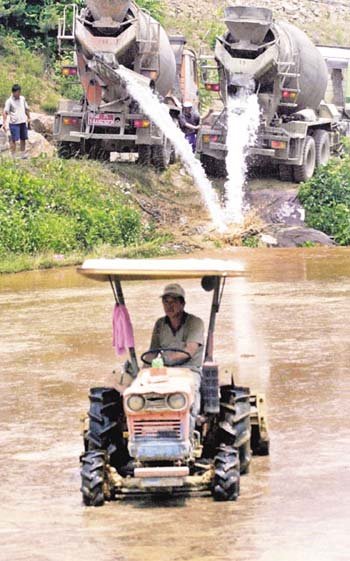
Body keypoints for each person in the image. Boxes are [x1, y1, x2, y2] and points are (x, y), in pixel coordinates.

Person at [149, 283, 204, 417]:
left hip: (190, 370)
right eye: (165, 302)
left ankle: (191, 422)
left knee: (189, 399)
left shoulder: (195, 322)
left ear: (182, 303)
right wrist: (143, 370)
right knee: (145, 393)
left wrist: (165, 359)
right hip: (164, 371)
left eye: (173, 301)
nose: (169, 306)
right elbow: (152, 352)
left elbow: (190, 350)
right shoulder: (159, 324)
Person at [2, 84, 30, 159]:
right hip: (14, 123)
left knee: (23, 138)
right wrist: (4, 122)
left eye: (19, 92)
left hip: (23, 122)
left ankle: (22, 154)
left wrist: (29, 117)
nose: (18, 94)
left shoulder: (22, 99)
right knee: (13, 139)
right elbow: (5, 112)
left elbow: (26, 109)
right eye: (17, 92)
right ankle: (13, 155)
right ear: (13, 92)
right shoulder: (9, 101)